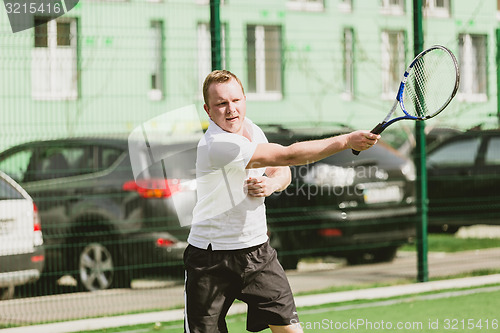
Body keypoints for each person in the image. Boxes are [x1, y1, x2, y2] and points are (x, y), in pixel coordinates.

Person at [184, 70, 379, 333]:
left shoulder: (251, 128)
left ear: (244, 99)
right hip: (209, 259)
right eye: (221, 104)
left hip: (257, 253)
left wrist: (271, 184)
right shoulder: (217, 145)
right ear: (208, 110)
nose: (231, 109)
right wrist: (345, 141)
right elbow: (288, 156)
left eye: (235, 100)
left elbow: (281, 171)